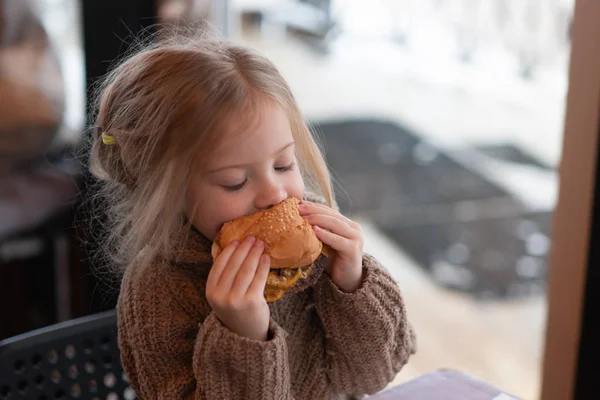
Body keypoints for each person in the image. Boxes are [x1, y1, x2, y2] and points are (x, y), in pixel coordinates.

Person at [87, 28, 416, 399]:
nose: (275, 194)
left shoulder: (317, 251)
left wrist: (354, 284)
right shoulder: (158, 291)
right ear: (167, 193)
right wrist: (243, 336)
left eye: (284, 164)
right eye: (234, 181)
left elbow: (371, 379)